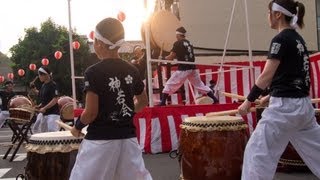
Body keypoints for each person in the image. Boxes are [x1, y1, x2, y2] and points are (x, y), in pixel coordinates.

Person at [238, 0, 320, 179]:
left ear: (277, 14)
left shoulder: (280, 39)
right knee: (317, 151)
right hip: (303, 107)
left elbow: (267, 75)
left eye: (268, 12)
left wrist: (248, 101)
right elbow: (293, 75)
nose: (267, 16)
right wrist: (270, 95)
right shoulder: (298, 39)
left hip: (284, 110)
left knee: (257, 153)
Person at [69, 17, 152, 180]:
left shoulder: (93, 72)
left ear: (99, 43)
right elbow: (143, 102)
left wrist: (77, 126)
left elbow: (91, 113)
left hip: (101, 141)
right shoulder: (132, 69)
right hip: (128, 139)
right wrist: (125, 113)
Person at [158, 26, 218, 106]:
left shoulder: (177, 43)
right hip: (192, 68)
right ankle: (215, 99)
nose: (175, 36)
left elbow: (171, 57)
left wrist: (161, 58)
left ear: (178, 35)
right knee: (199, 85)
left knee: (170, 83)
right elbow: (182, 54)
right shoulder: (189, 43)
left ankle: (162, 102)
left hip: (184, 68)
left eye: (176, 35)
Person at [31, 66, 60, 133]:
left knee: (52, 132)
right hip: (44, 113)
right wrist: (33, 88)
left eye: (40, 75)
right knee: (41, 132)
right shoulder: (43, 85)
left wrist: (44, 108)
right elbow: (44, 97)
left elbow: (55, 99)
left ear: (46, 75)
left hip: (53, 114)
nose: (39, 77)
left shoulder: (53, 85)